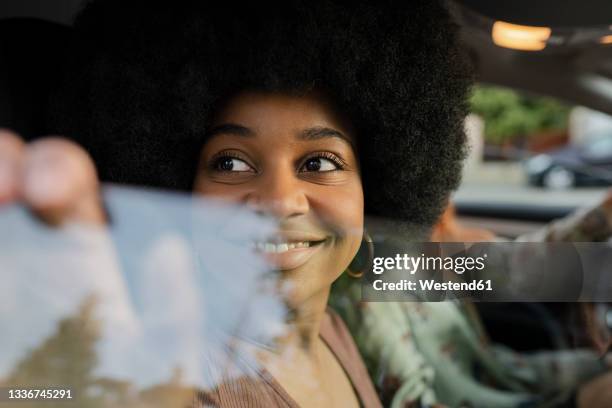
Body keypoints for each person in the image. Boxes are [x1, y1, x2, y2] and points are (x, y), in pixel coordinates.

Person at [0, 0, 472, 406]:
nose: (279, 200)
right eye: (230, 164)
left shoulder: (334, 332)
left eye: (320, 163)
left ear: (375, 190)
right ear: (179, 193)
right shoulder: (169, 371)